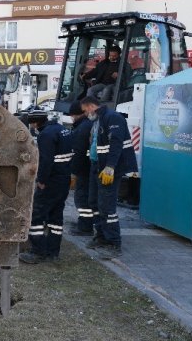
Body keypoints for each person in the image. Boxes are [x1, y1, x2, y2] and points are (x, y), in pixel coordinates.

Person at [80, 96, 138, 259]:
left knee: (107, 207)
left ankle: (114, 242)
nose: (85, 114)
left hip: (109, 169)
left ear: (91, 106)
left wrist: (110, 167)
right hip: (97, 166)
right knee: (94, 202)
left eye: (85, 111)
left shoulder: (113, 118)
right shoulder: (98, 120)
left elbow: (116, 143)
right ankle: (101, 236)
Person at [19, 108, 73, 264]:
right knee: (55, 217)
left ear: (35, 123)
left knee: (36, 215)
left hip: (51, 182)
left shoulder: (46, 135)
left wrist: (41, 180)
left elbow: (46, 161)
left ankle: (38, 252)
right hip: (63, 180)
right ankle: (53, 252)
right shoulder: (62, 130)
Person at [67, 101, 94, 236]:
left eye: (72, 115)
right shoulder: (85, 125)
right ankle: (84, 223)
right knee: (84, 197)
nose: (72, 118)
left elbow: (78, 152)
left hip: (84, 169)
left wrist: (74, 172)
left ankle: (85, 226)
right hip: (88, 168)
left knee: (82, 198)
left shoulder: (82, 128)